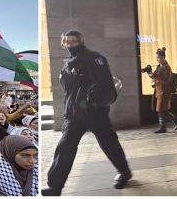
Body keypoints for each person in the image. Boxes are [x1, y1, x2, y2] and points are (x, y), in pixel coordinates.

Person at [43, 30, 132, 195]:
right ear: (63, 44)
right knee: (65, 146)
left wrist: (93, 100)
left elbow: (105, 83)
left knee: (109, 143)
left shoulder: (94, 58)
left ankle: (124, 172)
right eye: (67, 42)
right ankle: (54, 186)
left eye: (74, 41)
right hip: (74, 114)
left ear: (81, 42)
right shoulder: (66, 63)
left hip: (95, 112)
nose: (70, 45)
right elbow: (68, 90)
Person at [146, 47, 177, 133]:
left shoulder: (166, 67)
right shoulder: (159, 66)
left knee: (160, 109)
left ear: (164, 57)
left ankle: (164, 127)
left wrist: (154, 76)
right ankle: (175, 120)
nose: (158, 59)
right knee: (162, 109)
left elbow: (165, 79)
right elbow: (154, 76)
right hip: (159, 90)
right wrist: (149, 72)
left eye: (160, 57)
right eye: (157, 58)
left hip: (165, 91)